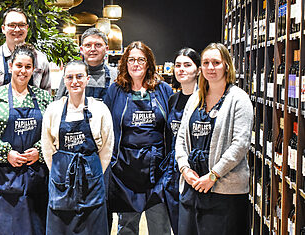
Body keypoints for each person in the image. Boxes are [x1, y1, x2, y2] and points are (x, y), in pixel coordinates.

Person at [175, 43, 252, 235]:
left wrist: (213, 175)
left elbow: (240, 144)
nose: (211, 67)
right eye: (206, 63)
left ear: (226, 65)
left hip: (225, 192)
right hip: (192, 188)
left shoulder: (239, 99)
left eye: (216, 62)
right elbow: (181, 138)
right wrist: (184, 169)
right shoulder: (195, 98)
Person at [0, 43, 51, 235]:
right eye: (19, 65)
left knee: (35, 226)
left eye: (28, 67)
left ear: (33, 70)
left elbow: (52, 132)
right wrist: (5, 153)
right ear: (11, 67)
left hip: (35, 174)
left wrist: (39, 152)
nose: (23, 71)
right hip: (3, 175)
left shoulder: (44, 98)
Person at [103, 41, 173, 235]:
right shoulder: (115, 91)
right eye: (131, 60)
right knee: (126, 229)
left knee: (160, 228)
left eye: (141, 59)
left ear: (149, 63)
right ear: (125, 63)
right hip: (125, 170)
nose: (136, 64)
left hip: (157, 169)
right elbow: (106, 127)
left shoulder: (163, 90)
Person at [42, 60, 114, 235]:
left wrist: (94, 172)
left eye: (79, 76)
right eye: (70, 77)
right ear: (64, 80)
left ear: (87, 79)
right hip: (61, 184)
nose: (75, 81)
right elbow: (47, 148)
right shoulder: (53, 110)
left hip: (92, 183)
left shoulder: (100, 109)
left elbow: (106, 148)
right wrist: (60, 171)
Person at [0, 8, 50, 115]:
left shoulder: (41, 60)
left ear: (27, 28)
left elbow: (47, 97)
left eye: (21, 25)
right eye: (12, 25)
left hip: (34, 128)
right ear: (3, 28)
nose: (17, 29)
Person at [161, 48, 201, 235]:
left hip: (194, 171)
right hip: (172, 171)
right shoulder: (172, 100)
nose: (181, 69)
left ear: (198, 70)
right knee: (177, 225)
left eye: (187, 65)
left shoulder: (204, 99)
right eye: (178, 65)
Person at [55, 27, 118, 101]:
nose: (93, 49)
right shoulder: (71, 74)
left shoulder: (116, 76)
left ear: (106, 49)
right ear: (81, 49)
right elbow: (58, 104)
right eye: (88, 45)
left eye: (98, 45)